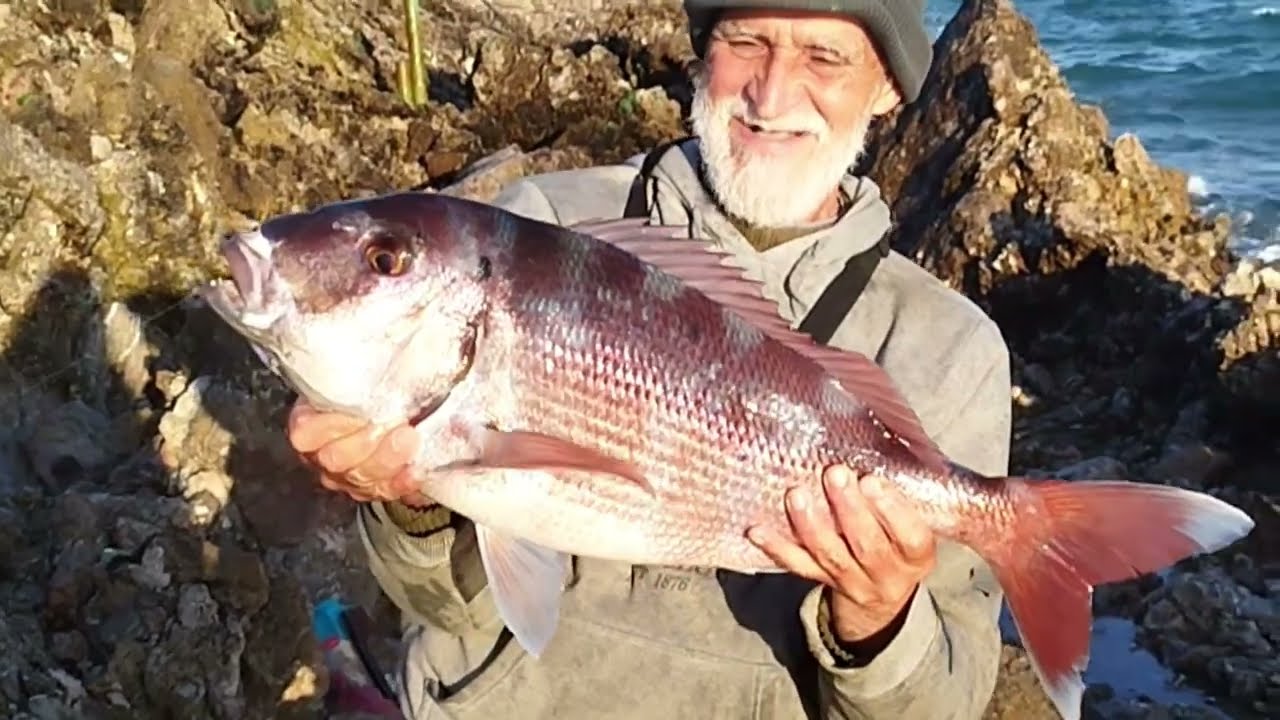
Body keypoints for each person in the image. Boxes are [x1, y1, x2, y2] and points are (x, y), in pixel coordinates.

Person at [287, 1, 1014, 718]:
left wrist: (880, 619)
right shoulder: (540, 224)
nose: (771, 94)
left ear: (888, 86)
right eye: (745, 42)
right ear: (703, 51)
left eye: (824, 57)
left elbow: (943, 710)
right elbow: (438, 609)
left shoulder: (952, 350)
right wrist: (409, 506)